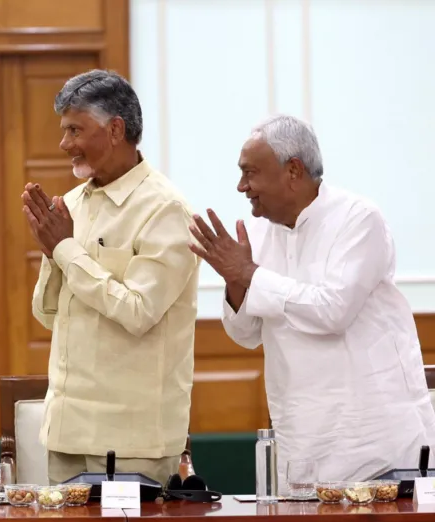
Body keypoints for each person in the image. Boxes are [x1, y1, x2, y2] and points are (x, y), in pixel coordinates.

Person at [189, 114, 435, 487]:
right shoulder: (257, 230)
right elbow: (247, 334)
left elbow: (332, 311)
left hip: (377, 446)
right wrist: (234, 281)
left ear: (293, 171)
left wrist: (250, 275)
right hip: (302, 448)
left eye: (251, 173)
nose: (242, 186)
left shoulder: (358, 219)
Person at [23, 69, 201, 494]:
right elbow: (49, 316)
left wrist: (66, 250)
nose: (64, 144)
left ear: (115, 129)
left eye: (74, 129)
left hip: (130, 440)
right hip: (66, 434)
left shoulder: (165, 210)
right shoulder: (73, 203)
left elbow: (139, 312)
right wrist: (53, 252)